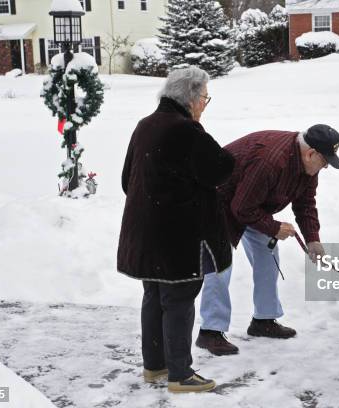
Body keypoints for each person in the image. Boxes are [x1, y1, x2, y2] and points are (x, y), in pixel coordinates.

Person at [117, 67, 235, 392]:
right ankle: (180, 374)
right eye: (205, 98)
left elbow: (128, 179)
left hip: (144, 233)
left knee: (153, 296)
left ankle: (154, 366)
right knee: (180, 298)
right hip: (178, 238)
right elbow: (221, 167)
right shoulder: (186, 131)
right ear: (192, 98)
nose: (205, 104)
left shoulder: (145, 126)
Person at [196, 125, 339, 356]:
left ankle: (264, 320)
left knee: (268, 250)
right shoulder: (270, 161)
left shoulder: (308, 168)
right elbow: (240, 208)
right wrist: (273, 227)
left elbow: (305, 204)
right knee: (219, 264)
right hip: (217, 200)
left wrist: (313, 239)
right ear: (311, 153)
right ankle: (210, 332)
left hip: (251, 203)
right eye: (325, 161)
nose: (325, 167)